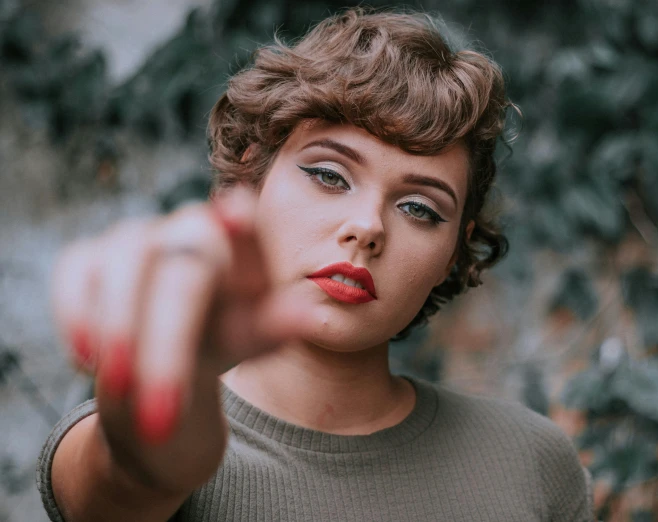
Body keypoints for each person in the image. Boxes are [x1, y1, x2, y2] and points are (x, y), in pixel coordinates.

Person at [36, 8, 593, 522]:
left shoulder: (533, 460)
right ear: (247, 182)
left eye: (420, 208)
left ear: (454, 252)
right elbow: (124, 478)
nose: (368, 226)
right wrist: (155, 432)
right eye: (329, 175)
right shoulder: (106, 444)